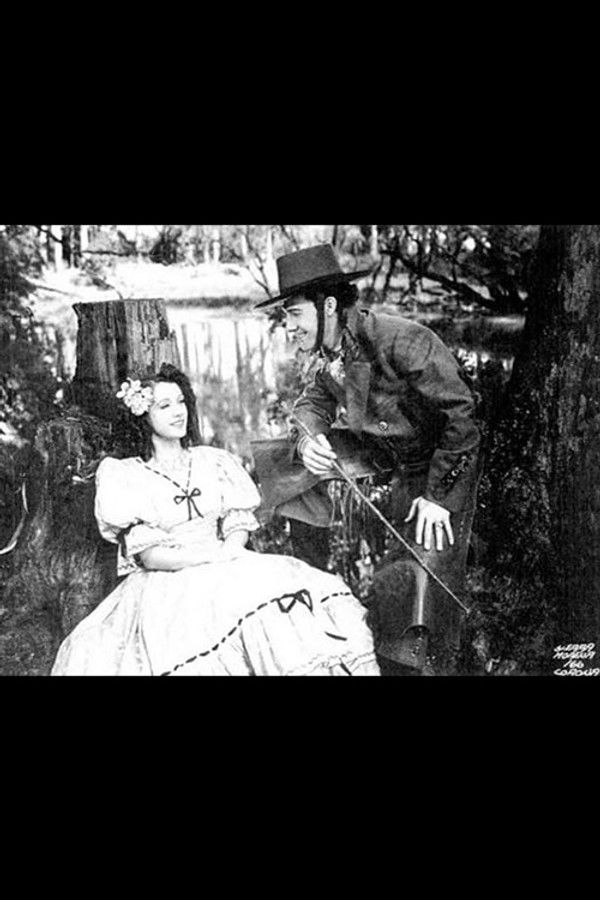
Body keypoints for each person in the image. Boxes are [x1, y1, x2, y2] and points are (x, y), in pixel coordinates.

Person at [51, 364, 380, 676]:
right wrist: (211, 559)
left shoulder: (213, 461)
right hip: (169, 579)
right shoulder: (127, 475)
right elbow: (149, 556)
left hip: (227, 560)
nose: (178, 412)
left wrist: (230, 553)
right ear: (142, 415)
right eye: (165, 406)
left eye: (181, 402)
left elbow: (237, 522)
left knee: (292, 598)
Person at [254, 244, 481, 675]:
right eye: (286, 316)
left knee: (413, 580)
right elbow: (309, 406)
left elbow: (462, 417)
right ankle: (311, 582)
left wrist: (439, 497)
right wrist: (308, 441)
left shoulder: (402, 339)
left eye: (295, 314)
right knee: (286, 459)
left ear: (329, 306)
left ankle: (403, 661)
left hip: (436, 465)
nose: (289, 327)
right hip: (384, 455)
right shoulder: (329, 355)